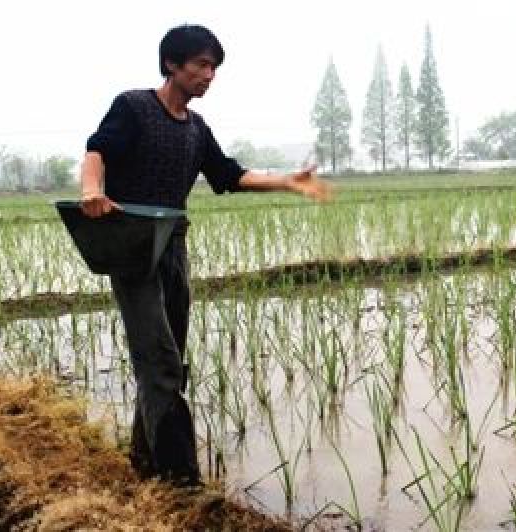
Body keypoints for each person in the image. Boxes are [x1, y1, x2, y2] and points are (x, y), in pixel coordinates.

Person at [80, 24, 330, 487]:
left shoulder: (196, 130)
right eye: (200, 64)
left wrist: (288, 182)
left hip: (173, 244)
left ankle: (144, 461)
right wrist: (92, 191)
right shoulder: (133, 107)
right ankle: (181, 483)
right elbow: (98, 150)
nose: (209, 74)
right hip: (132, 246)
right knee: (160, 362)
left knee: (169, 356)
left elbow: (228, 174)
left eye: (213, 67)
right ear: (173, 65)